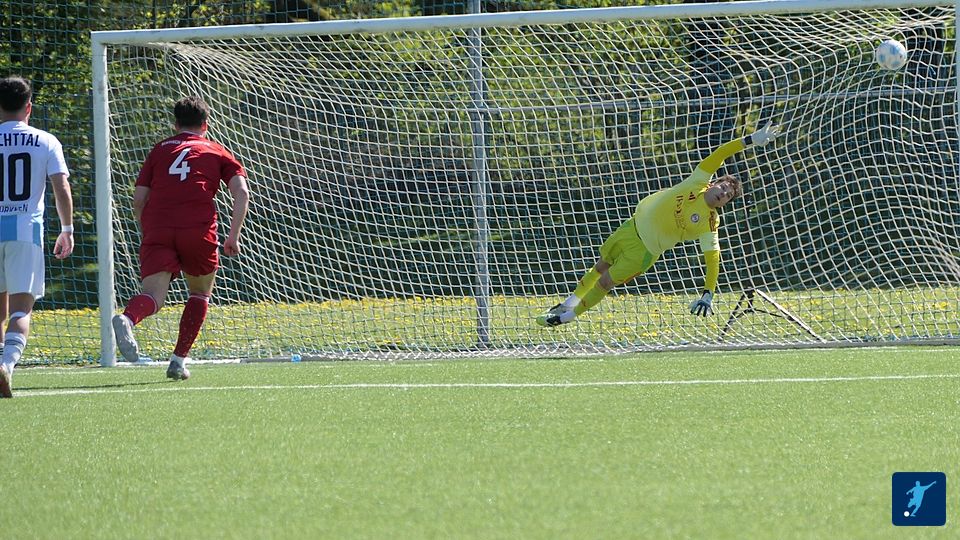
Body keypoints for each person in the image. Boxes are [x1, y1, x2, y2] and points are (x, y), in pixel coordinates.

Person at [537, 122, 782, 327]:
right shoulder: (698, 180)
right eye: (723, 187)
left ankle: (566, 318)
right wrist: (750, 140)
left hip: (644, 252)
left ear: (725, 203)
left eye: (728, 196)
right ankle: (566, 304)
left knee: (605, 282)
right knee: (601, 265)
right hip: (630, 228)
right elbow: (720, 153)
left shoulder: (709, 222)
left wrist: (708, 292)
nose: (723, 193)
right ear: (713, 183)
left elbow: (713, 258)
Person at [112, 96, 250, 381]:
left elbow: (139, 199)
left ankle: (127, 318)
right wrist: (233, 235)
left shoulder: (160, 149)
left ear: (175, 124)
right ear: (205, 125)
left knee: (153, 296)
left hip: (158, 226)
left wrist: (148, 228)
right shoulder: (217, 150)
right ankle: (178, 360)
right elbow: (242, 192)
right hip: (197, 229)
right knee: (199, 293)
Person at [0, 76, 74, 398]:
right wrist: (67, 229)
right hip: (25, 233)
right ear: (29, 107)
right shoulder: (46, 140)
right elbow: (61, 186)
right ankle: (6, 366)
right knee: (21, 311)